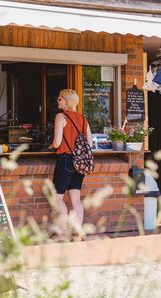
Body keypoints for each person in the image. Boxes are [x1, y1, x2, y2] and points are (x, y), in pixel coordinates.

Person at [51, 89, 93, 238]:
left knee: (57, 198)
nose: (58, 101)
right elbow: (89, 143)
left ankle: (62, 231)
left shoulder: (61, 117)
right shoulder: (83, 119)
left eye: (60, 99)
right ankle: (78, 231)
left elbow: (57, 143)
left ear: (67, 101)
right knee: (75, 198)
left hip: (66, 160)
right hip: (80, 162)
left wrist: (51, 145)